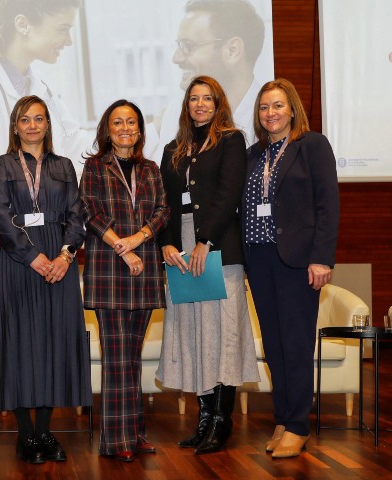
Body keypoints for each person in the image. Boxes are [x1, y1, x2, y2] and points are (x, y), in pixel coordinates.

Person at [156, 75, 259, 454]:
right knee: (196, 333)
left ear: (218, 104)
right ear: (186, 105)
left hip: (217, 247)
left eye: (207, 99)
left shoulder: (232, 140)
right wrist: (167, 243)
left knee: (223, 334)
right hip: (180, 249)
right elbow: (165, 203)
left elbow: (228, 193)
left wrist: (205, 241)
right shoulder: (172, 148)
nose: (200, 104)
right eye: (193, 98)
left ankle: (221, 422)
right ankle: (202, 422)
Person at [0, 95, 91, 464]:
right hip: (21, 261)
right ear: (15, 126)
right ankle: (25, 434)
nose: (32, 125)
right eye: (25, 120)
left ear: (48, 124)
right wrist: (32, 257)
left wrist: (66, 255)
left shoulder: (64, 165)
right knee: (20, 344)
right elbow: (0, 213)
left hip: (59, 262)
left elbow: (77, 214)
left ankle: (46, 431)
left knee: (53, 344)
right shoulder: (2, 165)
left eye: (39, 119)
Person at [242, 78, 339, 458]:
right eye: (265, 107)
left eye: (278, 105)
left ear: (292, 108)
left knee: (296, 345)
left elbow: (327, 206)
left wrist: (322, 257)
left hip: (298, 261)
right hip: (260, 260)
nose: (271, 113)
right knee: (276, 346)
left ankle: (298, 425)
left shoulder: (312, 146)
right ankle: (282, 418)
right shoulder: (254, 155)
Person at [79, 100, 170, 461]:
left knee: (132, 359)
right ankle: (115, 440)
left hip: (144, 270)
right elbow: (90, 211)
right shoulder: (94, 167)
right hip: (109, 272)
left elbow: (163, 210)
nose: (125, 128)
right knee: (116, 359)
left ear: (139, 129)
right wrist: (123, 246)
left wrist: (139, 239)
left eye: (131, 122)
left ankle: (135, 432)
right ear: (107, 129)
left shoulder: (150, 168)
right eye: (117, 122)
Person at [0, 0, 91, 173]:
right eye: (62, 29)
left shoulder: (42, 86)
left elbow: (75, 144)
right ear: (23, 24)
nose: (69, 41)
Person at [145, 0, 266, 160]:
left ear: (232, 50)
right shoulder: (177, 110)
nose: (176, 58)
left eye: (188, 46)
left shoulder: (268, 121)